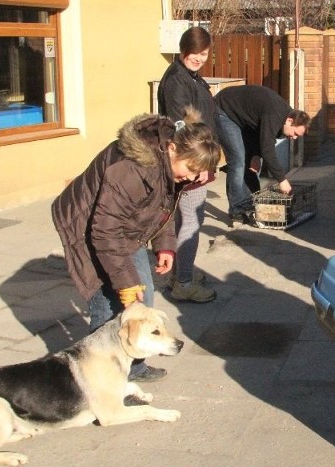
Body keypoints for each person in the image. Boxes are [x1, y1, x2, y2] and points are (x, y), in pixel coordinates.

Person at [52, 110, 220, 382]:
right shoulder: (133, 168)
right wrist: (124, 283)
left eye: (199, 173)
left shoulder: (168, 164)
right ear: (173, 148)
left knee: (144, 295)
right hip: (86, 225)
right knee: (108, 305)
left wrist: (165, 245)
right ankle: (99, 379)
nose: (192, 178)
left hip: (126, 229)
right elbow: (105, 232)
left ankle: (134, 366)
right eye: (191, 169)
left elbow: (161, 206)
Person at [157, 26, 217, 304]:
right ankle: (183, 283)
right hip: (190, 162)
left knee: (185, 219)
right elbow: (181, 126)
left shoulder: (190, 76)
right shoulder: (177, 81)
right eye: (194, 53)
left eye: (204, 54)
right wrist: (198, 163)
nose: (199, 58)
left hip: (197, 158)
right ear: (183, 50)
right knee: (192, 221)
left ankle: (181, 273)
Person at [214, 85, 311, 227]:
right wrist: (282, 180)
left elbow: (260, 133)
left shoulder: (282, 119)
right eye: (295, 133)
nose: (294, 138)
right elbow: (268, 149)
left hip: (244, 120)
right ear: (290, 121)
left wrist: (255, 155)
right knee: (238, 160)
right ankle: (237, 212)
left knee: (253, 165)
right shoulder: (275, 114)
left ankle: (251, 206)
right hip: (224, 110)